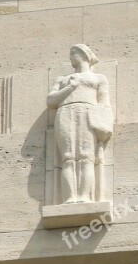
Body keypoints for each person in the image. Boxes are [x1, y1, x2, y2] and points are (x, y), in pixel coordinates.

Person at [47, 44, 113, 204]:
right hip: (65, 113)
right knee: (68, 157)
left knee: (86, 157)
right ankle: (70, 197)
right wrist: (69, 88)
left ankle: (84, 196)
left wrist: (104, 124)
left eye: (73, 53)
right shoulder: (62, 80)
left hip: (87, 114)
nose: (70, 57)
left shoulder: (99, 78)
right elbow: (50, 101)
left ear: (84, 55)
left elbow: (104, 103)